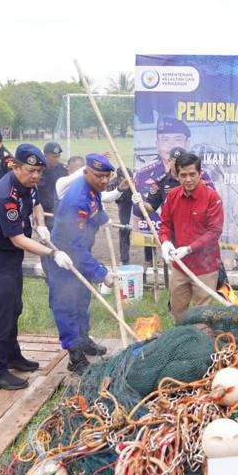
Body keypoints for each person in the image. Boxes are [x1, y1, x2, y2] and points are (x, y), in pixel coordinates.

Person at [0, 143, 74, 390]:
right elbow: (18, 239)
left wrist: (41, 224)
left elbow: (37, 203)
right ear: (15, 166)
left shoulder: (28, 185)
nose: (36, 176)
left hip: (11, 258)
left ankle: (12, 356)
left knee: (14, 308)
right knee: (2, 315)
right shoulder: (4, 196)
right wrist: (53, 253)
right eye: (31, 171)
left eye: (39, 172)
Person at [40, 153, 117, 375]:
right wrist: (102, 273)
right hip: (63, 259)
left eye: (107, 176)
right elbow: (75, 247)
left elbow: (97, 207)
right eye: (99, 176)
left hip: (79, 253)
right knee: (66, 305)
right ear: (85, 173)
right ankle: (74, 355)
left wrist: (103, 219)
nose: (104, 181)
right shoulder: (76, 200)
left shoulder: (93, 190)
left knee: (82, 299)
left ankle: (84, 340)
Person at [132, 117, 213, 266]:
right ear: (169, 162)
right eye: (174, 163)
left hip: (197, 230)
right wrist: (139, 202)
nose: (177, 167)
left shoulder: (200, 177)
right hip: (173, 231)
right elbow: (151, 207)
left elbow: (212, 202)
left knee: (199, 265)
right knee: (176, 267)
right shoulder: (161, 182)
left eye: (181, 163)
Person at [155, 152, 224, 320]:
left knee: (203, 316)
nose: (188, 179)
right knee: (178, 312)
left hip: (205, 267)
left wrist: (189, 249)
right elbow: (164, 224)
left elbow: (214, 232)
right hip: (179, 266)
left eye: (192, 174)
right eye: (183, 175)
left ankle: (201, 343)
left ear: (200, 174)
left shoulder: (212, 197)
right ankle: (179, 342)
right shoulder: (172, 196)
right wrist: (164, 242)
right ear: (177, 176)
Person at [39, 142, 68, 229]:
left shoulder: (63, 171)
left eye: (58, 156)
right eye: (54, 157)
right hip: (40, 208)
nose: (57, 159)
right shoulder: (38, 170)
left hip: (56, 208)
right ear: (45, 156)